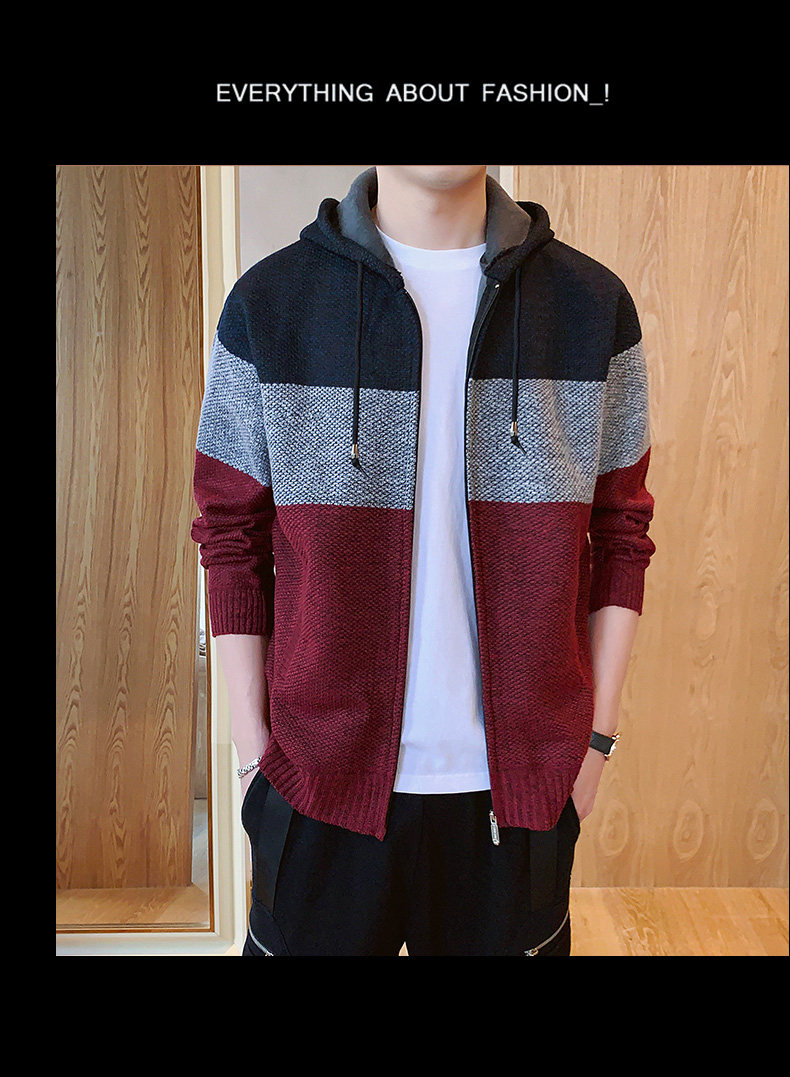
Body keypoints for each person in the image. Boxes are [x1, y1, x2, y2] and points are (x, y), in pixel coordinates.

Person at [190, 165, 656, 956]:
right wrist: (251, 752)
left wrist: (595, 742)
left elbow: (621, 531)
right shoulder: (268, 303)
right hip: (316, 790)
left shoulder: (591, 306)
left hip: (517, 801)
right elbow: (230, 529)